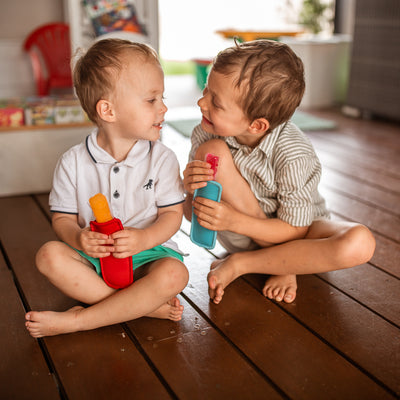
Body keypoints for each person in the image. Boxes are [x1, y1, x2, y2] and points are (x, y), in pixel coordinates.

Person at [183, 39, 375, 305]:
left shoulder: (293, 152)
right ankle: (284, 263)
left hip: (298, 233)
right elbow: (193, 217)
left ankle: (252, 264)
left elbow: (296, 230)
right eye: (206, 89)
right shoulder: (206, 134)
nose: (201, 102)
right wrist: (188, 190)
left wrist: (233, 221)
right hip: (244, 235)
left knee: (360, 242)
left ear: (257, 125)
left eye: (216, 102)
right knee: (211, 149)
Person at [25, 39, 189, 338]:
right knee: (48, 256)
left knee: (175, 274)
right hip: (95, 260)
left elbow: (172, 215)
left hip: (147, 258)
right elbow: (62, 219)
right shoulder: (72, 162)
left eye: (162, 97)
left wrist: (143, 239)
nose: (164, 107)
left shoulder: (162, 158)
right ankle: (141, 306)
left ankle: (80, 319)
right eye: (151, 100)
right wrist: (79, 238)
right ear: (108, 110)